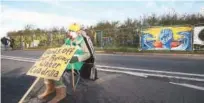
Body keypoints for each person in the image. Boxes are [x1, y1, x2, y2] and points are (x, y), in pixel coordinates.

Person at [38, 23, 91, 103]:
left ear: (78, 32)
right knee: (49, 70)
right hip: (66, 62)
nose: (69, 32)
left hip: (76, 63)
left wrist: (77, 58)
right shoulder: (68, 40)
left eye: (72, 31)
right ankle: (50, 89)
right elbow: (61, 50)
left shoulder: (82, 41)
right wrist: (52, 55)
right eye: (69, 30)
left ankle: (61, 94)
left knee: (57, 73)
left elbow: (88, 54)